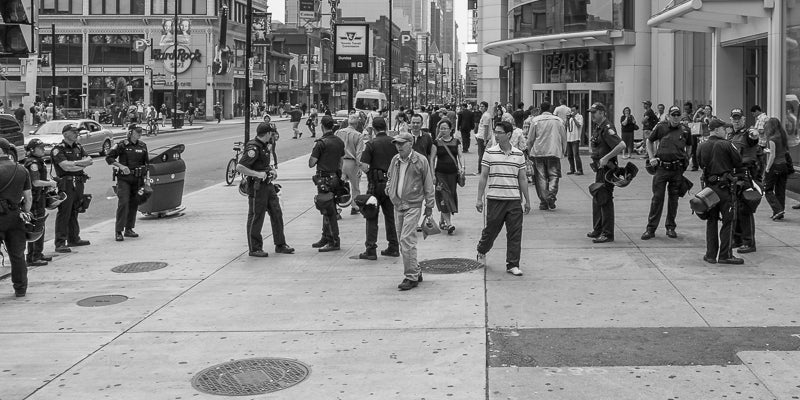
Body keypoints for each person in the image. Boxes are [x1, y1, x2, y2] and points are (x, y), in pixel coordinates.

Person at [475, 121, 531, 276]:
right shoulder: (490, 153)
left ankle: (513, 264)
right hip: (495, 199)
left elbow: (523, 179)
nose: (497, 135)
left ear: (508, 134)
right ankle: (482, 250)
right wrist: (479, 198)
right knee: (491, 230)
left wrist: (527, 200)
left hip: (513, 200)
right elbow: (484, 176)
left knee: (515, 233)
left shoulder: (519, 155)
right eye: (496, 132)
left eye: (500, 132)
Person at [236, 122, 294, 257]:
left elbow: (262, 164)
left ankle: (280, 244)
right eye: (271, 134)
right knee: (257, 216)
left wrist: (271, 170)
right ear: (267, 133)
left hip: (267, 185)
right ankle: (255, 248)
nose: (272, 136)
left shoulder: (264, 146)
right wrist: (257, 174)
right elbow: (240, 167)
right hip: (257, 187)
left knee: (276, 213)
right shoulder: (253, 148)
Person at [386, 132, 435, 291]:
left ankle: (411, 276)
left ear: (410, 144)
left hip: (413, 205)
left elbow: (428, 183)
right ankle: (416, 270)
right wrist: (390, 189)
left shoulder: (420, 160)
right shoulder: (395, 160)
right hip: (397, 204)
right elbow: (390, 176)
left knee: (407, 240)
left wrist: (429, 204)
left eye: (401, 143)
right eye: (396, 144)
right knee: (403, 241)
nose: (398, 146)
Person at [696, 118, 744, 265]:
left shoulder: (701, 146)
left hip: (709, 189)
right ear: (717, 130)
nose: (726, 131)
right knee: (728, 221)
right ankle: (725, 255)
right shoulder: (726, 144)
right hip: (724, 188)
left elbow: (700, 163)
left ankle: (710, 255)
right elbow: (738, 161)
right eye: (724, 129)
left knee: (711, 221)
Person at [642, 105, 691, 240]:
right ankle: (651, 229)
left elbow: (690, 145)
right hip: (662, 168)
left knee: (673, 200)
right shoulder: (661, 127)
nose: (675, 117)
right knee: (657, 199)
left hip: (677, 169)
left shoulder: (685, 130)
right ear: (668, 116)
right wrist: (651, 157)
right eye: (673, 115)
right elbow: (649, 141)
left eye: (678, 115)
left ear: (680, 116)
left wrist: (687, 158)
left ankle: (670, 227)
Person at [358, 116, 399, 260]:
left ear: (373, 129)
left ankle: (371, 249)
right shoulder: (394, 143)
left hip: (375, 185)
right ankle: (393, 246)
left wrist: (370, 172)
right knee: (390, 216)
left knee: (371, 216)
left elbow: (363, 165)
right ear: (386, 127)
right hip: (390, 184)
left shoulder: (371, 144)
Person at [587, 102, 626, 243]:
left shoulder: (607, 128)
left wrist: (606, 157)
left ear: (602, 112)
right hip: (600, 169)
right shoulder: (599, 127)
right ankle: (598, 229)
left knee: (605, 200)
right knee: (598, 198)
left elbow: (621, 145)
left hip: (607, 169)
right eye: (591, 112)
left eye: (594, 112)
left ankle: (607, 234)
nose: (592, 115)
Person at [51, 125, 93, 253]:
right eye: (74, 132)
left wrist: (74, 165)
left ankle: (73, 238)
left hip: (79, 182)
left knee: (75, 210)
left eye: (77, 132)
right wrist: (79, 164)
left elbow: (90, 160)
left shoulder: (78, 147)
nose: (76, 134)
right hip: (66, 183)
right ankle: (60, 242)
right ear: (65, 134)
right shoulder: (58, 149)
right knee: (65, 212)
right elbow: (65, 167)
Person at [106, 124, 149, 242]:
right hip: (124, 179)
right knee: (123, 203)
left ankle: (129, 229)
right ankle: (118, 231)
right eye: (137, 132)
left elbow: (146, 164)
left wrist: (147, 180)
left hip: (138, 178)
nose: (139, 134)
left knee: (134, 203)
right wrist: (121, 166)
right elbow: (109, 158)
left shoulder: (143, 146)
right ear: (130, 132)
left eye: (141, 132)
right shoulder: (122, 145)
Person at [0, 138, 32, 297]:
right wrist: (24, 212)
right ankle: (20, 288)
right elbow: (28, 198)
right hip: (16, 215)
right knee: (18, 255)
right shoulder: (21, 170)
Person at [309, 116, 346, 252]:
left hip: (324, 179)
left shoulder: (320, 143)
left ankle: (333, 241)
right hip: (335, 177)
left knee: (328, 210)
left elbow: (311, 163)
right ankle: (325, 236)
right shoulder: (339, 141)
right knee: (328, 207)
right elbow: (341, 160)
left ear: (322, 126)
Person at [728, 108, 759, 253]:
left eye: (739, 118)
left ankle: (749, 242)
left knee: (745, 209)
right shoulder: (731, 135)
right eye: (734, 118)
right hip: (733, 175)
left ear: (744, 119)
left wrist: (754, 134)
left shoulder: (748, 134)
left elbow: (754, 138)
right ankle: (737, 238)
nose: (736, 120)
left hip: (746, 175)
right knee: (735, 209)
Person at [526, 101, 567, 210]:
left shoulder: (535, 120)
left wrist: (530, 151)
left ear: (540, 109)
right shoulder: (559, 121)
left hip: (538, 152)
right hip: (554, 152)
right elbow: (564, 138)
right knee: (554, 176)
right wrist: (563, 151)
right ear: (550, 109)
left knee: (541, 178)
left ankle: (544, 201)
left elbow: (530, 139)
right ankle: (551, 196)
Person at [23, 139, 56, 267]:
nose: (43, 149)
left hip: (39, 197)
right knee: (35, 227)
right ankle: (33, 257)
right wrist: (50, 183)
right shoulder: (33, 163)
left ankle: (38, 253)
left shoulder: (38, 161)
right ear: (32, 150)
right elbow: (35, 182)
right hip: (35, 199)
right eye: (40, 147)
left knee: (40, 225)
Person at [432, 119, 463, 234]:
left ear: (450, 129)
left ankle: (442, 221)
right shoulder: (436, 143)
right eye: (441, 128)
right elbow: (432, 159)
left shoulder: (456, 141)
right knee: (444, 196)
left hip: (453, 174)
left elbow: (460, 156)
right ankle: (449, 224)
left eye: (445, 128)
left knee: (450, 196)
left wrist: (462, 167)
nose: (443, 130)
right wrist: (432, 174)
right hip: (440, 174)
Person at [334, 114, 365, 215]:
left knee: (338, 186)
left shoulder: (338, 132)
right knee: (355, 186)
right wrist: (360, 166)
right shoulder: (359, 135)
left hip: (340, 162)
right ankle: (355, 206)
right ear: (356, 124)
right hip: (352, 163)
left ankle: (337, 208)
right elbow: (359, 153)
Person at [763, 117, 789, 221]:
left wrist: (767, 168)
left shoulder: (772, 138)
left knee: (768, 189)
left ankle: (777, 210)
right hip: (784, 166)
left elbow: (772, 155)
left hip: (775, 166)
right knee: (780, 190)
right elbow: (782, 151)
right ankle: (780, 212)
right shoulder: (783, 136)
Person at [565, 104, 584, 175]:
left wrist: (574, 118)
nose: (572, 112)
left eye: (573, 110)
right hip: (569, 138)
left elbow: (579, 125)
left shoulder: (580, 117)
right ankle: (572, 169)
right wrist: (567, 119)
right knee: (569, 155)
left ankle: (580, 170)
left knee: (576, 155)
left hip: (575, 138)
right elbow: (567, 126)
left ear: (577, 110)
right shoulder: (570, 118)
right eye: (571, 110)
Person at [476, 101, 493, 173]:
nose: (481, 108)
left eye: (482, 106)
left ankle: (481, 170)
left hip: (483, 137)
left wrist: (485, 140)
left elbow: (486, 128)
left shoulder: (486, 116)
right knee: (481, 153)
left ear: (486, 108)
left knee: (481, 154)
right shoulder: (485, 115)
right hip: (482, 136)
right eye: (480, 106)